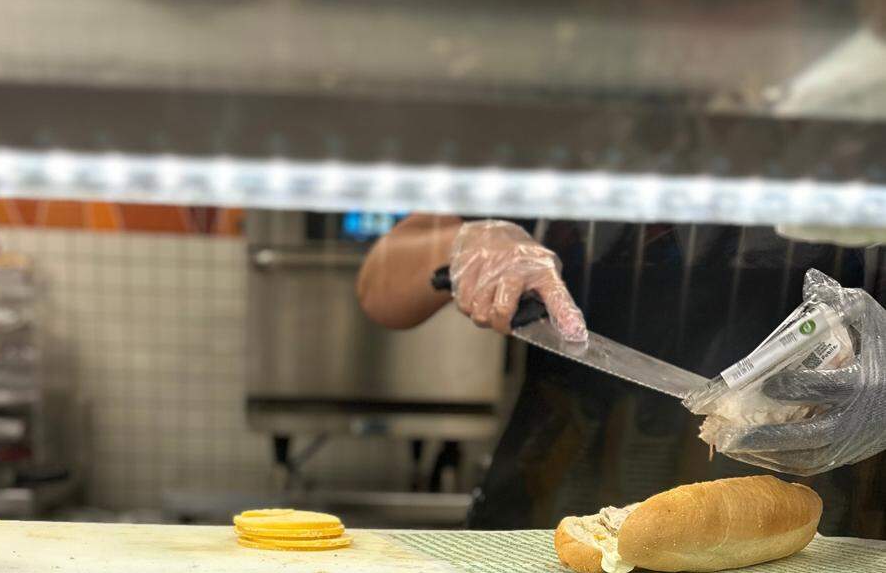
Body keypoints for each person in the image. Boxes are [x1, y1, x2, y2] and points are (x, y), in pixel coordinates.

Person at [356, 214, 884, 536]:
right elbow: (382, 287)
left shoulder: (847, 111)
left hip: (819, 547)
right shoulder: (581, 113)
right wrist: (466, 242)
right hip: (553, 534)